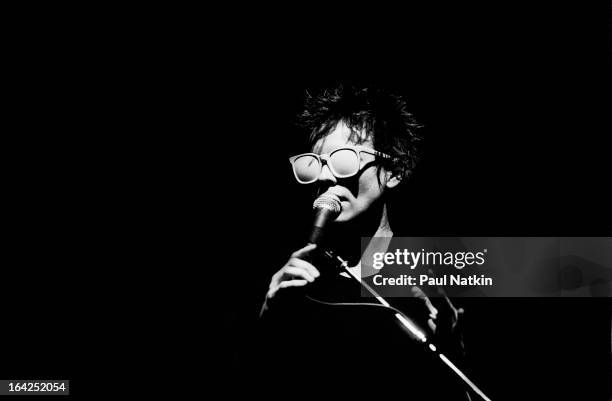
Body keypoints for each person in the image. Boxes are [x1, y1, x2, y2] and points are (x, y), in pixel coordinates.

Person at [259, 85, 470, 400]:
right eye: (313, 164)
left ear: (394, 170)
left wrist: (450, 348)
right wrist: (268, 322)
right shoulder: (293, 283)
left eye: (344, 161)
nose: (326, 178)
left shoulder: (440, 271)